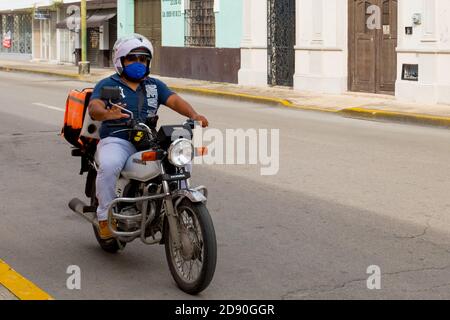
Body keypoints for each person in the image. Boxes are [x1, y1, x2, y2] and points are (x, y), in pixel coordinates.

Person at [88, 34, 208, 240]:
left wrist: (194, 115)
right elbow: (94, 106)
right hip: (118, 140)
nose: (138, 63)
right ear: (120, 61)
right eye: (132, 59)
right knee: (109, 165)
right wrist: (107, 114)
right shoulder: (109, 84)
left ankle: (179, 205)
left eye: (143, 60)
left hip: (147, 139)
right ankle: (104, 218)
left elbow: (174, 100)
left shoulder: (154, 85)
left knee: (180, 161)